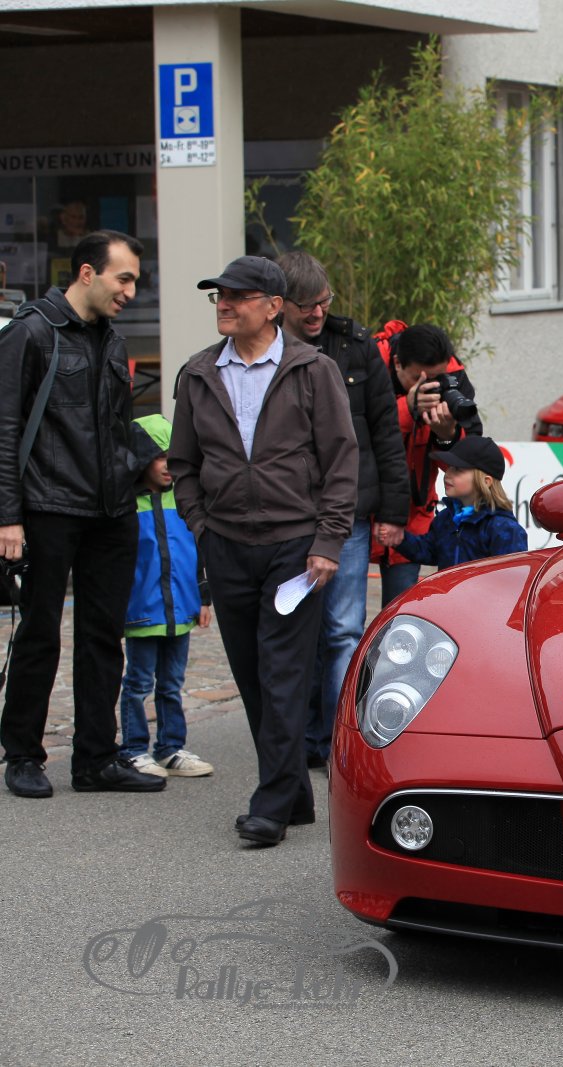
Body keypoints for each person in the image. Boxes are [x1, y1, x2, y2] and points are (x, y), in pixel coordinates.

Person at [168, 255, 357, 846]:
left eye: (237, 296)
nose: (224, 305)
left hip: (293, 549)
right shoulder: (199, 373)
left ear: (273, 307)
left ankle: (270, 805)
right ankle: (293, 794)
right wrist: (202, 526)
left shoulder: (313, 370)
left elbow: (340, 458)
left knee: (283, 673)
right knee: (252, 676)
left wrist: (328, 540)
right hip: (226, 544)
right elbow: (182, 464)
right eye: (218, 296)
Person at [0, 230, 165, 798]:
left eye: (135, 281)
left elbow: (114, 427)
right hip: (47, 507)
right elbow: (4, 430)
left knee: (103, 638)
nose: (131, 292)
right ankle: (22, 754)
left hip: (112, 510)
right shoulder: (31, 332)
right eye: (124, 279)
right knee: (39, 634)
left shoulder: (112, 340)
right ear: (88, 273)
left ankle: (96, 759)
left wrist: (143, 465)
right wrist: (7, 517)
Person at [276, 252, 408, 771]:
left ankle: (339, 743)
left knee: (343, 631)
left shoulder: (356, 346)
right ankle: (300, 737)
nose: (316, 313)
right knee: (296, 630)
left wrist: (393, 510)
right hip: (287, 514)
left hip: (348, 510)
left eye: (323, 303)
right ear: (280, 304)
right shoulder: (265, 348)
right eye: (306, 306)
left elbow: (385, 431)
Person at [117, 413, 214, 778]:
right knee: (138, 683)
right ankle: (133, 749)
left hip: (181, 610)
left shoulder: (186, 500)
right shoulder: (126, 505)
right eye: (159, 457)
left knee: (172, 684)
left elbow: (199, 552)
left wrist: (203, 598)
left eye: (172, 457)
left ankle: (170, 747)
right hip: (142, 611)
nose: (168, 466)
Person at [378, 323, 482, 604]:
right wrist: (407, 408)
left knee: (398, 613)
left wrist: (447, 436)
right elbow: (355, 432)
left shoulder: (454, 376)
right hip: (361, 514)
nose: (429, 386)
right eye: (419, 378)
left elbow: (466, 463)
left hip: (412, 515)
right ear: (397, 363)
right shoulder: (368, 362)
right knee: (343, 621)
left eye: (437, 379)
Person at [381, 436, 527, 569]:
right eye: (449, 467)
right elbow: (428, 551)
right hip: (449, 591)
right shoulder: (446, 518)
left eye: (458, 469)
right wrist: (399, 538)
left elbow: (511, 579)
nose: (447, 474)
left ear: (486, 481)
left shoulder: (504, 528)